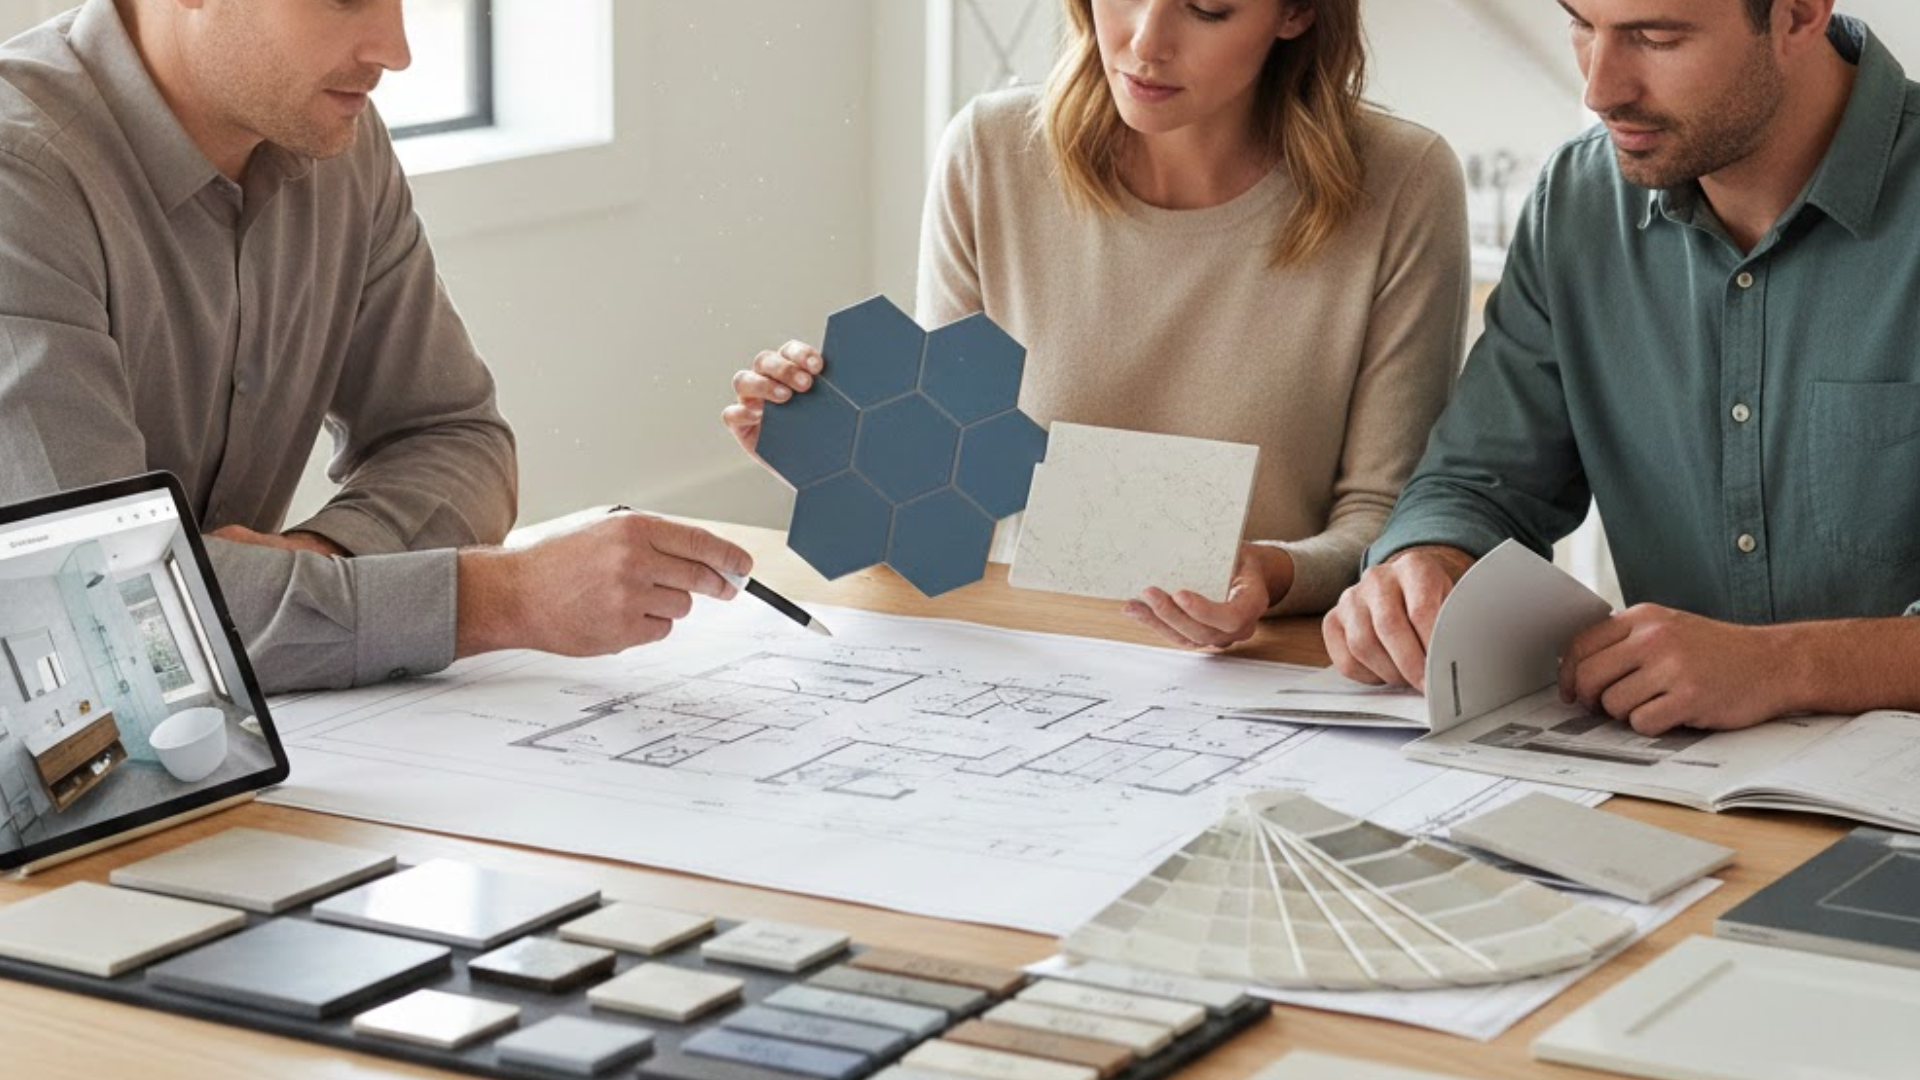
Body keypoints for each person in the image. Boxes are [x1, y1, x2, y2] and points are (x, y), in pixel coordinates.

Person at [0, 0, 751, 693]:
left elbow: (456, 438)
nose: (396, 50)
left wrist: (328, 559)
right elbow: (97, 607)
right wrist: (501, 598)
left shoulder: (333, 141)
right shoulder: (19, 179)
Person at [724, 0, 1469, 649]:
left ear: (1298, 12)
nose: (1146, 42)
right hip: (1022, 652)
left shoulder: (1403, 182)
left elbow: (1388, 520)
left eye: (1207, 9)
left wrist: (1273, 574)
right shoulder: (990, 152)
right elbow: (937, 494)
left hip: (1265, 665)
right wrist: (836, 459)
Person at [1325, 0, 1920, 735]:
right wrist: (1426, 563)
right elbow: (1480, 483)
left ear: (1797, 14)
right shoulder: (1577, 203)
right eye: (1581, 23)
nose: (1600, 89)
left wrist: (1782, 665)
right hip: (1669, 777)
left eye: (1656, 37)